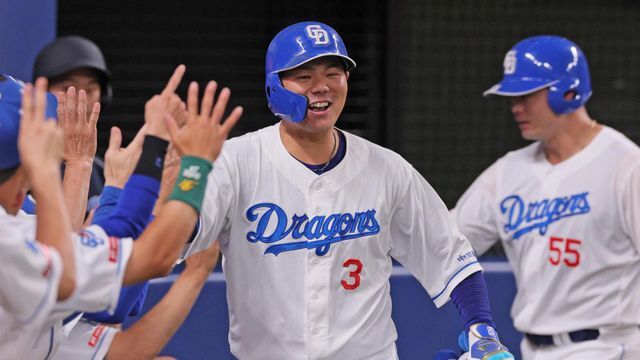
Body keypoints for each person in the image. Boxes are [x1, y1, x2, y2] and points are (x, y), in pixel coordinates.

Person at [183, 21, 512, 360]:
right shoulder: (235, 162)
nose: (321, 87)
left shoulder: (387, 168)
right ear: (274, 86)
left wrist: (482, 330)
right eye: (305, 76)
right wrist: (179, 186)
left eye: (333, 74)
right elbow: (182, 236)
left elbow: (449, 255)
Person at [0, 66, 242, 358]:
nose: (29, 181)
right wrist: (193, 167)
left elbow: (72, 247)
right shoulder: (9, 244)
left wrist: (97, 177)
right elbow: (152, 258)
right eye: (28, 162)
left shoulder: (13, 227)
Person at [453, 35, 640, 359]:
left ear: (568, 91)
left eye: (527, 94)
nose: (516, 106)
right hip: (533, 349)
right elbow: (443, 242)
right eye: (513, 96)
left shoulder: (626, 165)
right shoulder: (508, 172)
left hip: (610, 347)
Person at [32, 35, 113, 217]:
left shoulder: (105, 172)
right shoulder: (16, 166)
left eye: (90, 90)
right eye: (68, 88)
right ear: (41, 92)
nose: (80, 99)